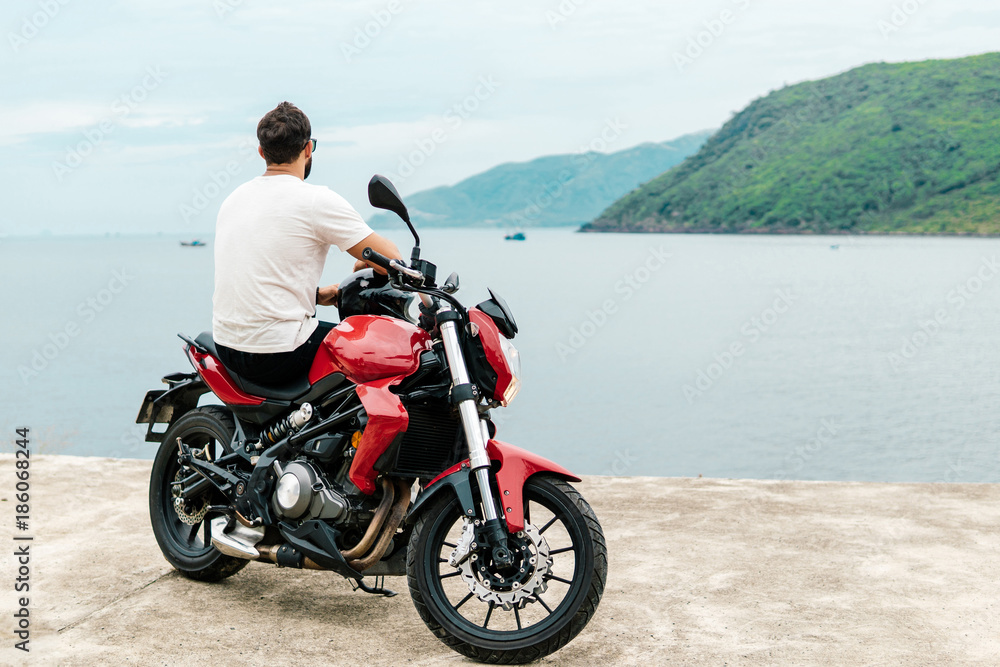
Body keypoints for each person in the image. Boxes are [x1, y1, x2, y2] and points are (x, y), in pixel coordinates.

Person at [212, 101, 402, 387]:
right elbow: (393, 261)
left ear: (262, 152)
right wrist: (366, 263)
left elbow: (256, 274)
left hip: (227, 346)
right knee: (387, 358)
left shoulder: (234, 199)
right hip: (279, 352)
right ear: (308, 149)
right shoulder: (316, 201)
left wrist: (315, 295)